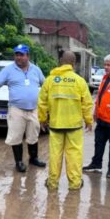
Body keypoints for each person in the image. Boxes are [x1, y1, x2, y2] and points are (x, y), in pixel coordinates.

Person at [38, 51, 93, 190]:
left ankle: (52, 183)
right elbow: (87, 103)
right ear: (74, 64)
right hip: (74, 126)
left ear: (61, 61)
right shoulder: (79, 81)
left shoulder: (50, 80)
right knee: (74, 155)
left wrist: (42, 119)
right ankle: (75, 184)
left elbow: (42, 102)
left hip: (56, 124)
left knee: (55, 155)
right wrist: (88, 120)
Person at [0, 44, 46, 172]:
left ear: (28, 56)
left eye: (21, 54)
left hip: (34, 109)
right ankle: (19, 162)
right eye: (16, 54)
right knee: (16, 136)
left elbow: (46, 85)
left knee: (33, 135)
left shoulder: (36, 70)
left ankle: (33, 158)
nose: (18, 57)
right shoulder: (8, 70)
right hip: (16, 110)